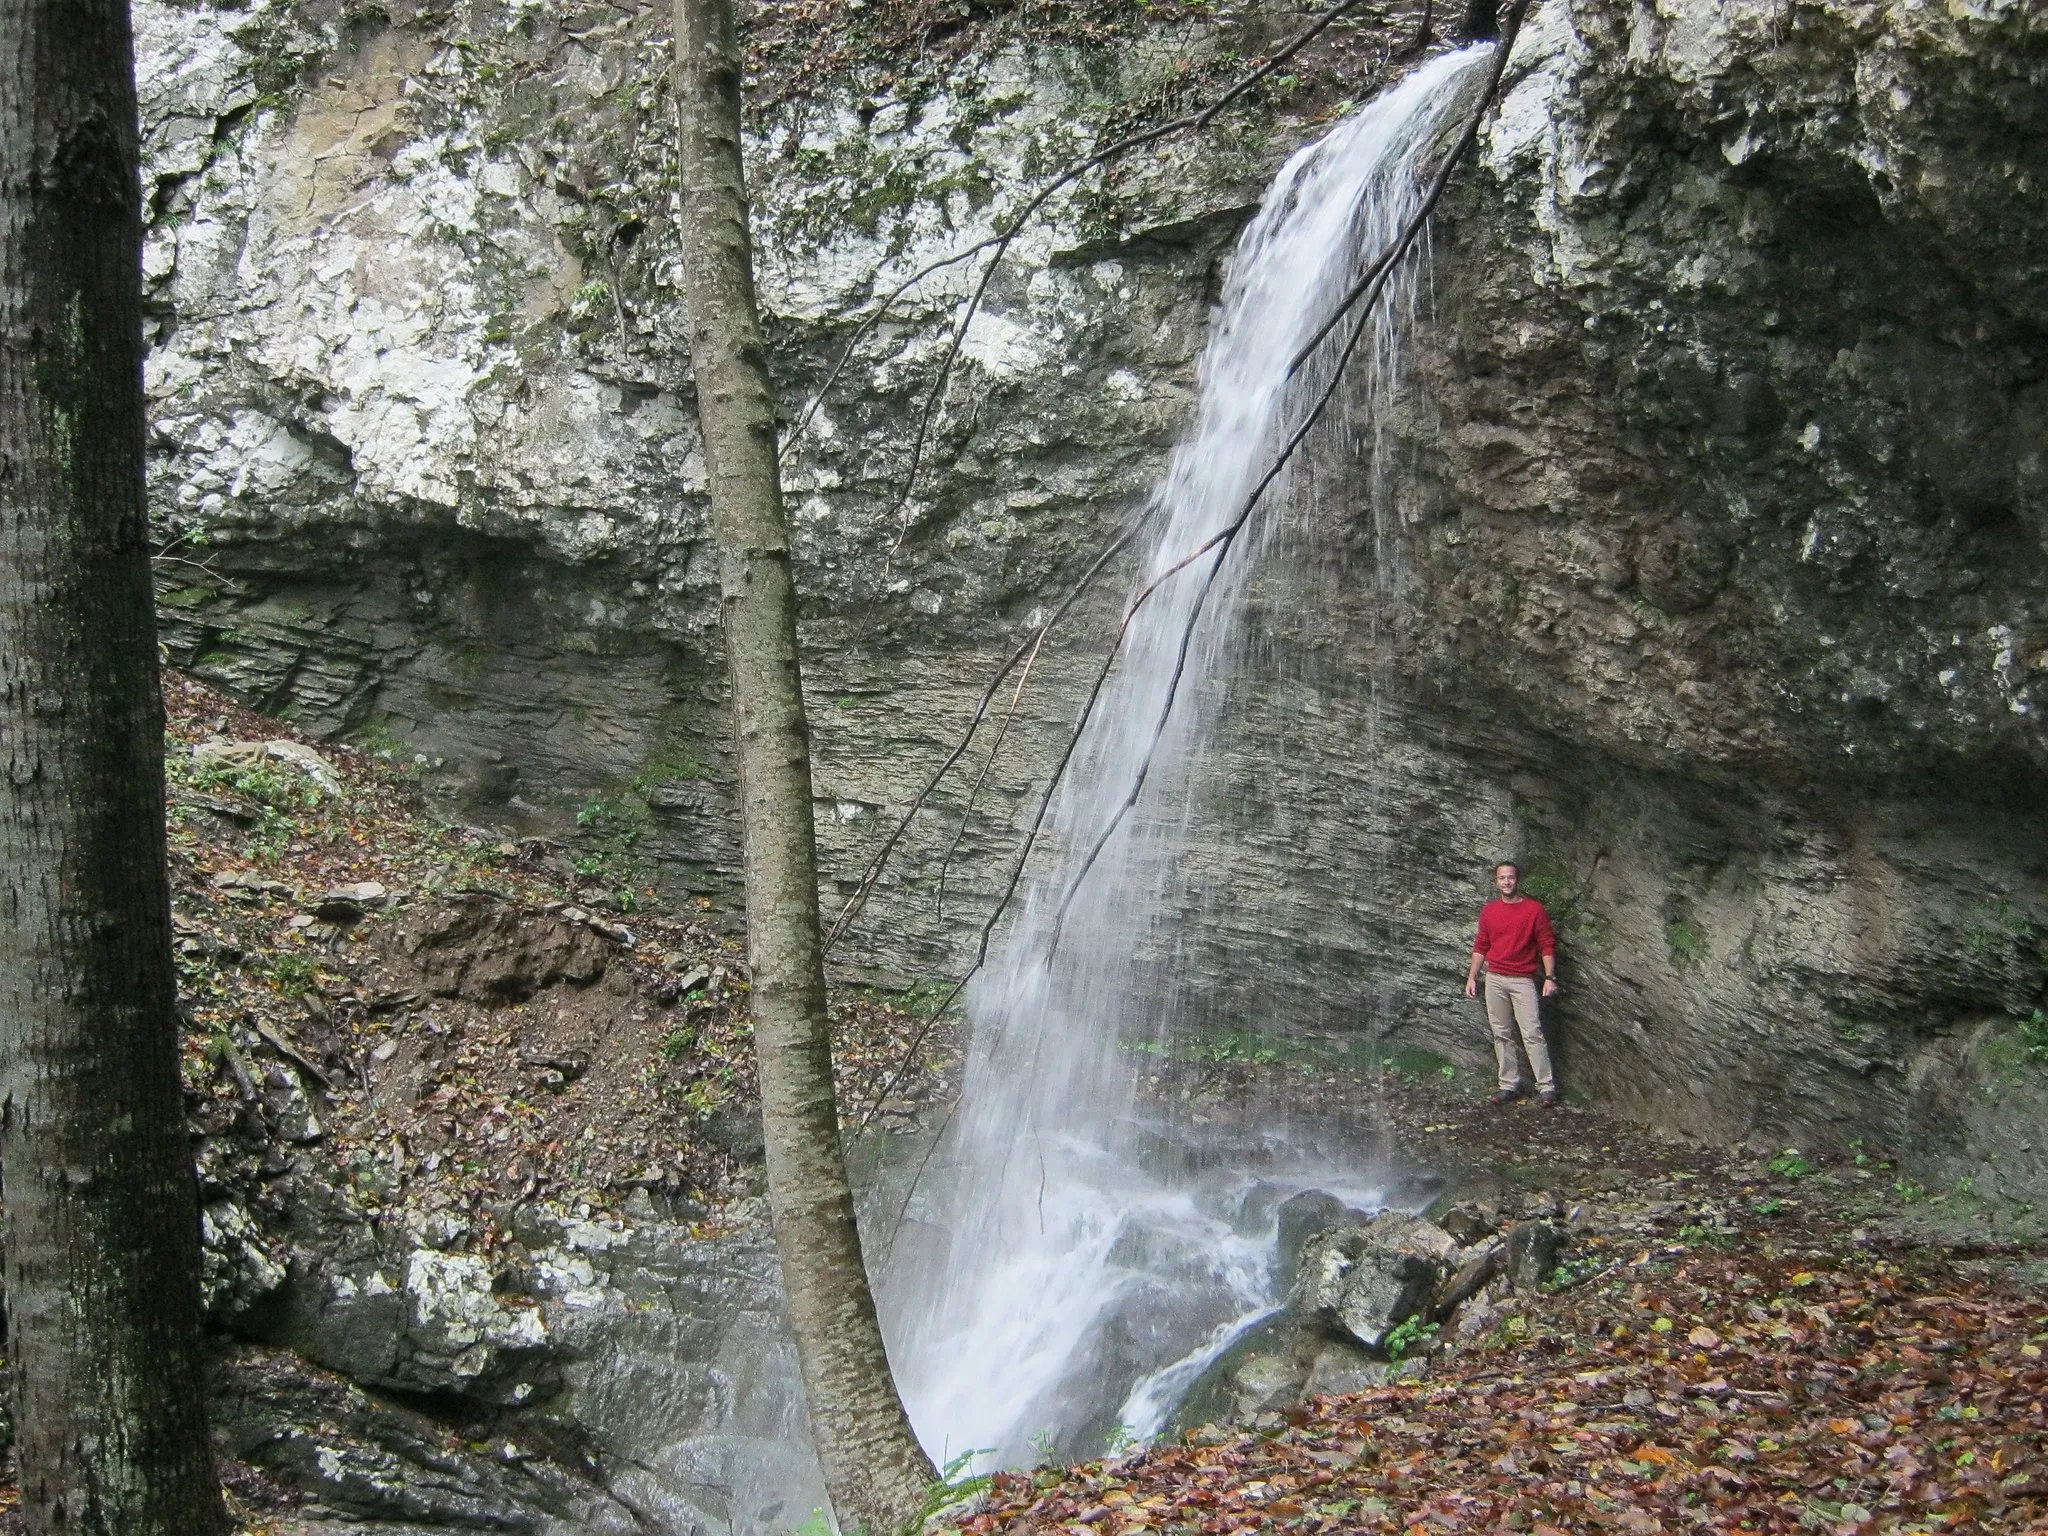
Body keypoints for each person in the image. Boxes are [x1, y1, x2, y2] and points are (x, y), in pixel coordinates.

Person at [1463, 861, 1559, 1107]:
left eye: (1511, 878)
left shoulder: (1534, 910)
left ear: (1518, 880)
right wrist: (1472, 976)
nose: (1506, 882)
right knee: (1501, 1033)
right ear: (1496, 882)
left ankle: (1546, 1087)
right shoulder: (1489, 911)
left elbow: (1546, 944)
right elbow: (1481, 945)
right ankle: (1509, 1084)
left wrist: (1550, 977)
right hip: (1495, 978)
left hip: (1523, 980)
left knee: (1532, 1032)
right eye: (1502, 878)